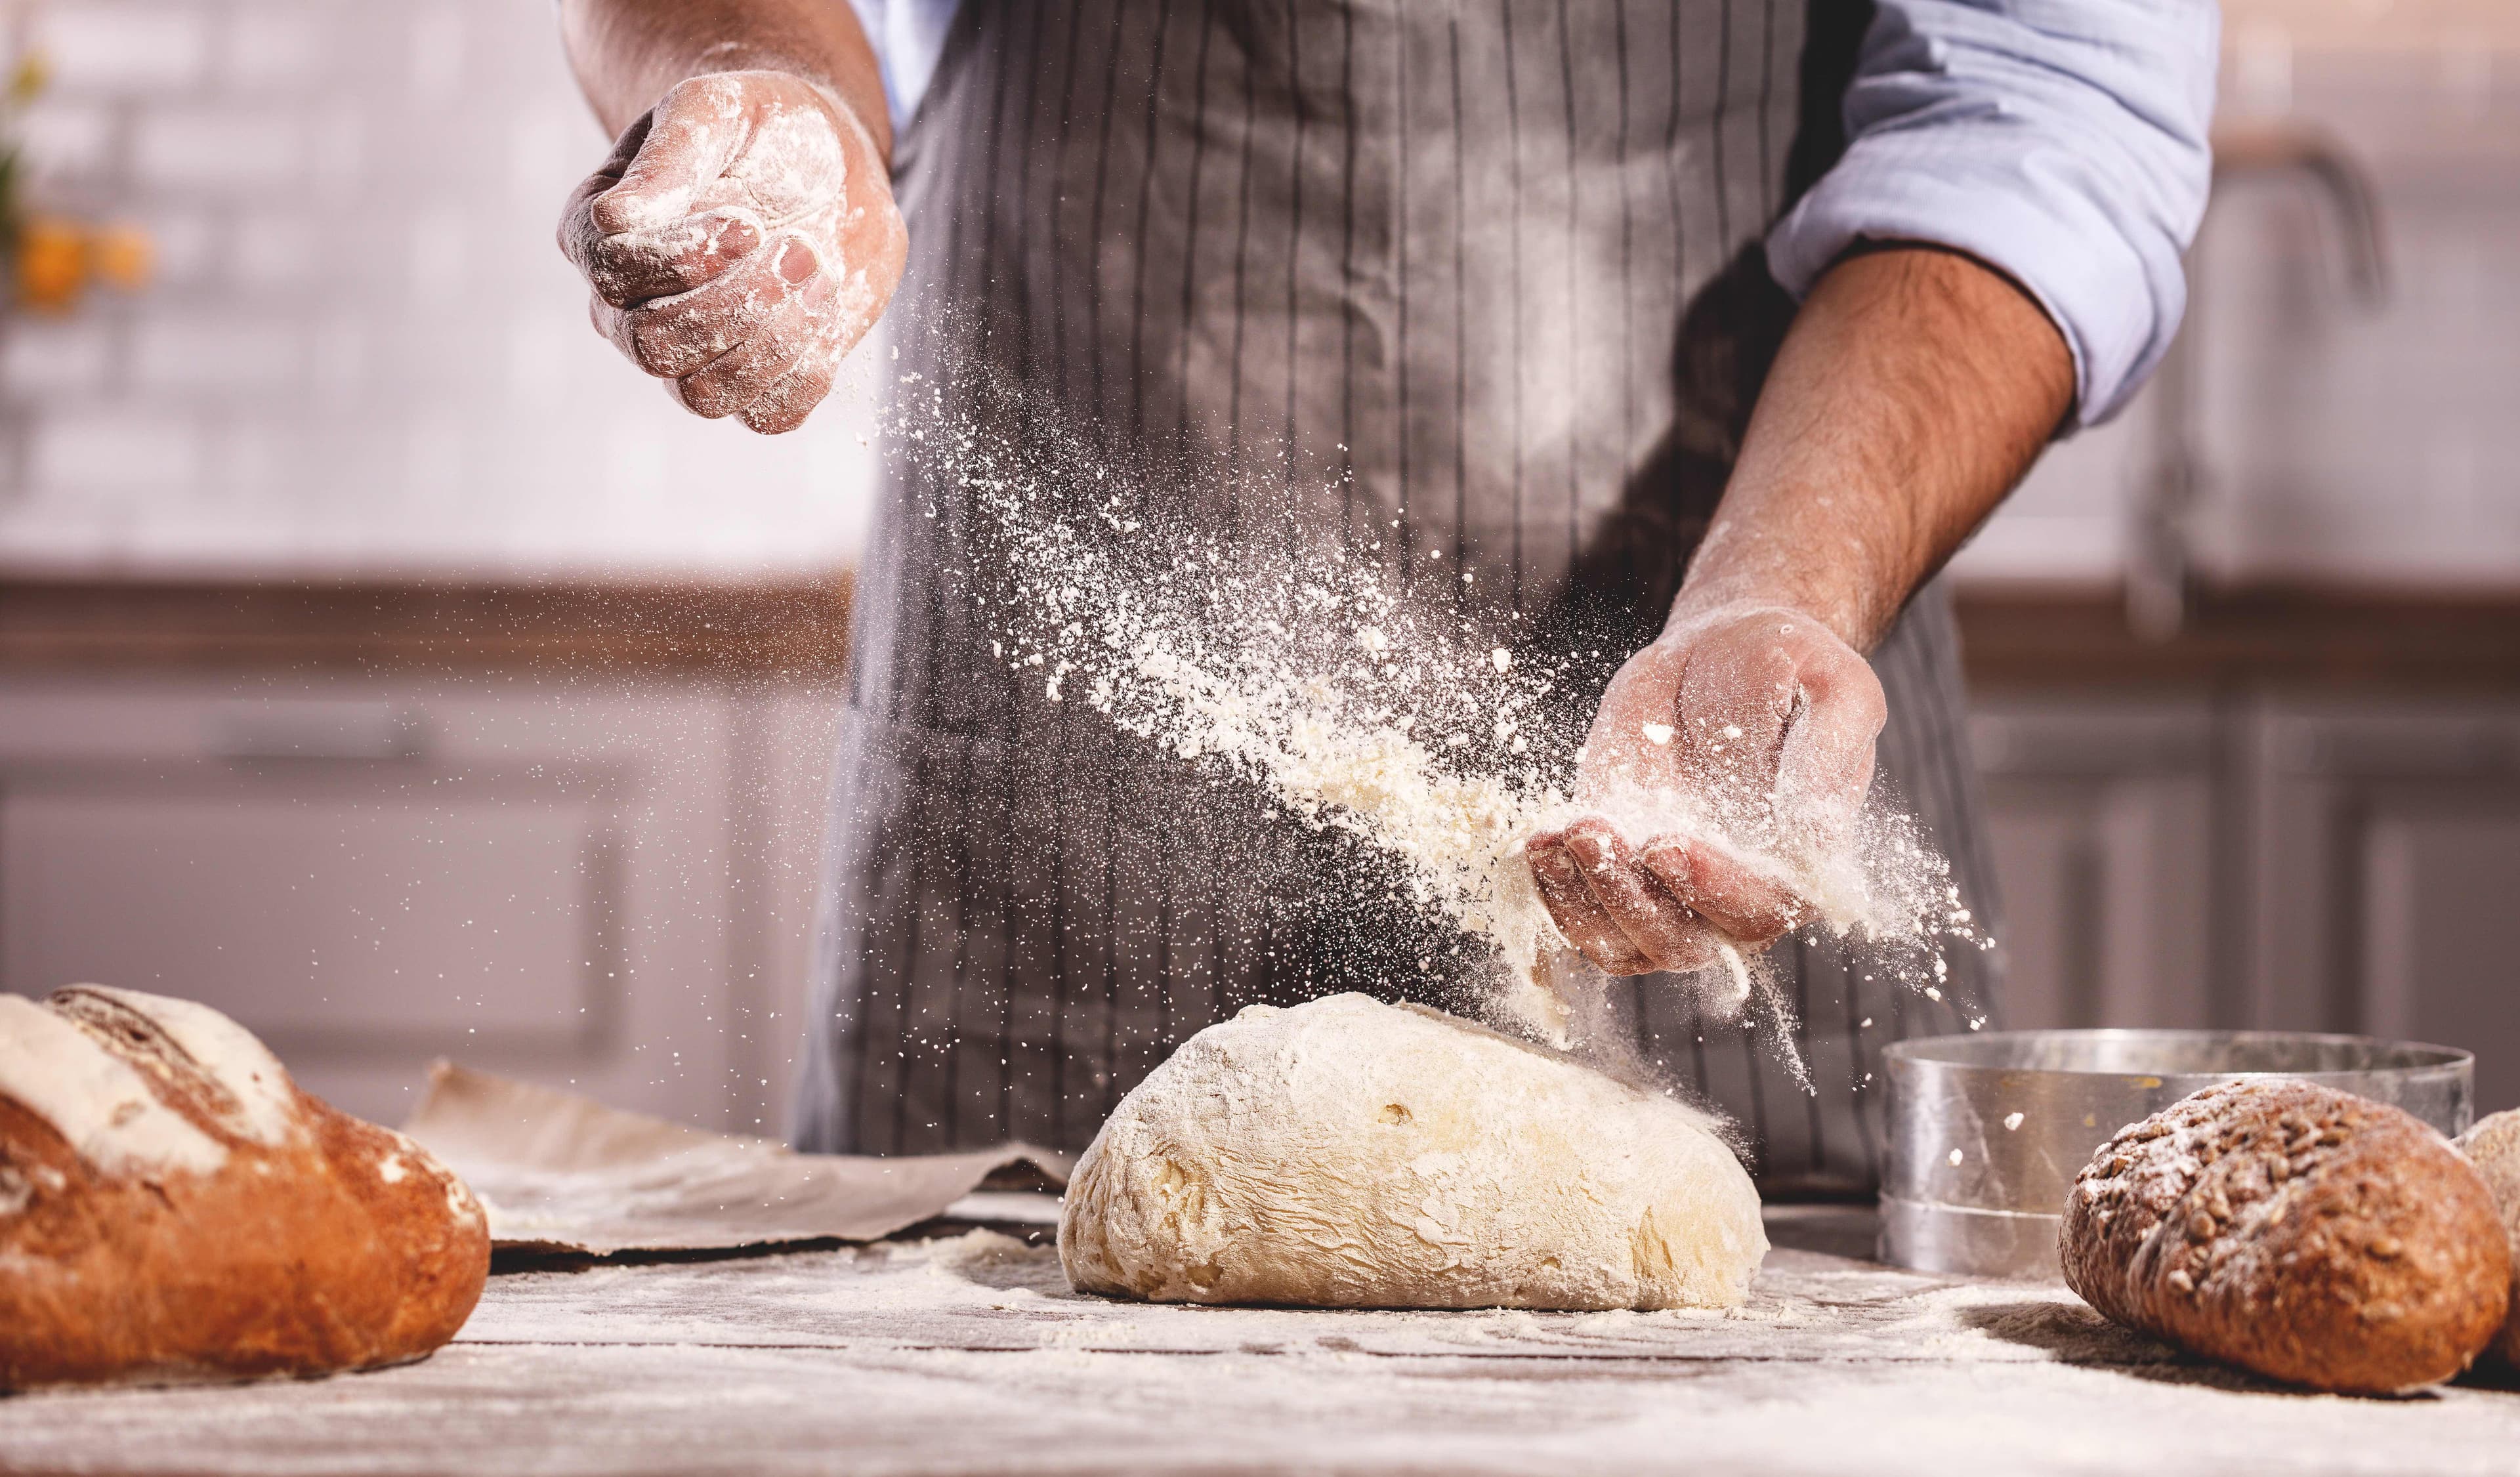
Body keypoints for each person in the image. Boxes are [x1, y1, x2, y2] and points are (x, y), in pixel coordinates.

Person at [557, 0, 2214, 1195]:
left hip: (1721, 733)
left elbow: (2044, 105)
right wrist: (759, 88)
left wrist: (1782, 577)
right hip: (1055, 813)